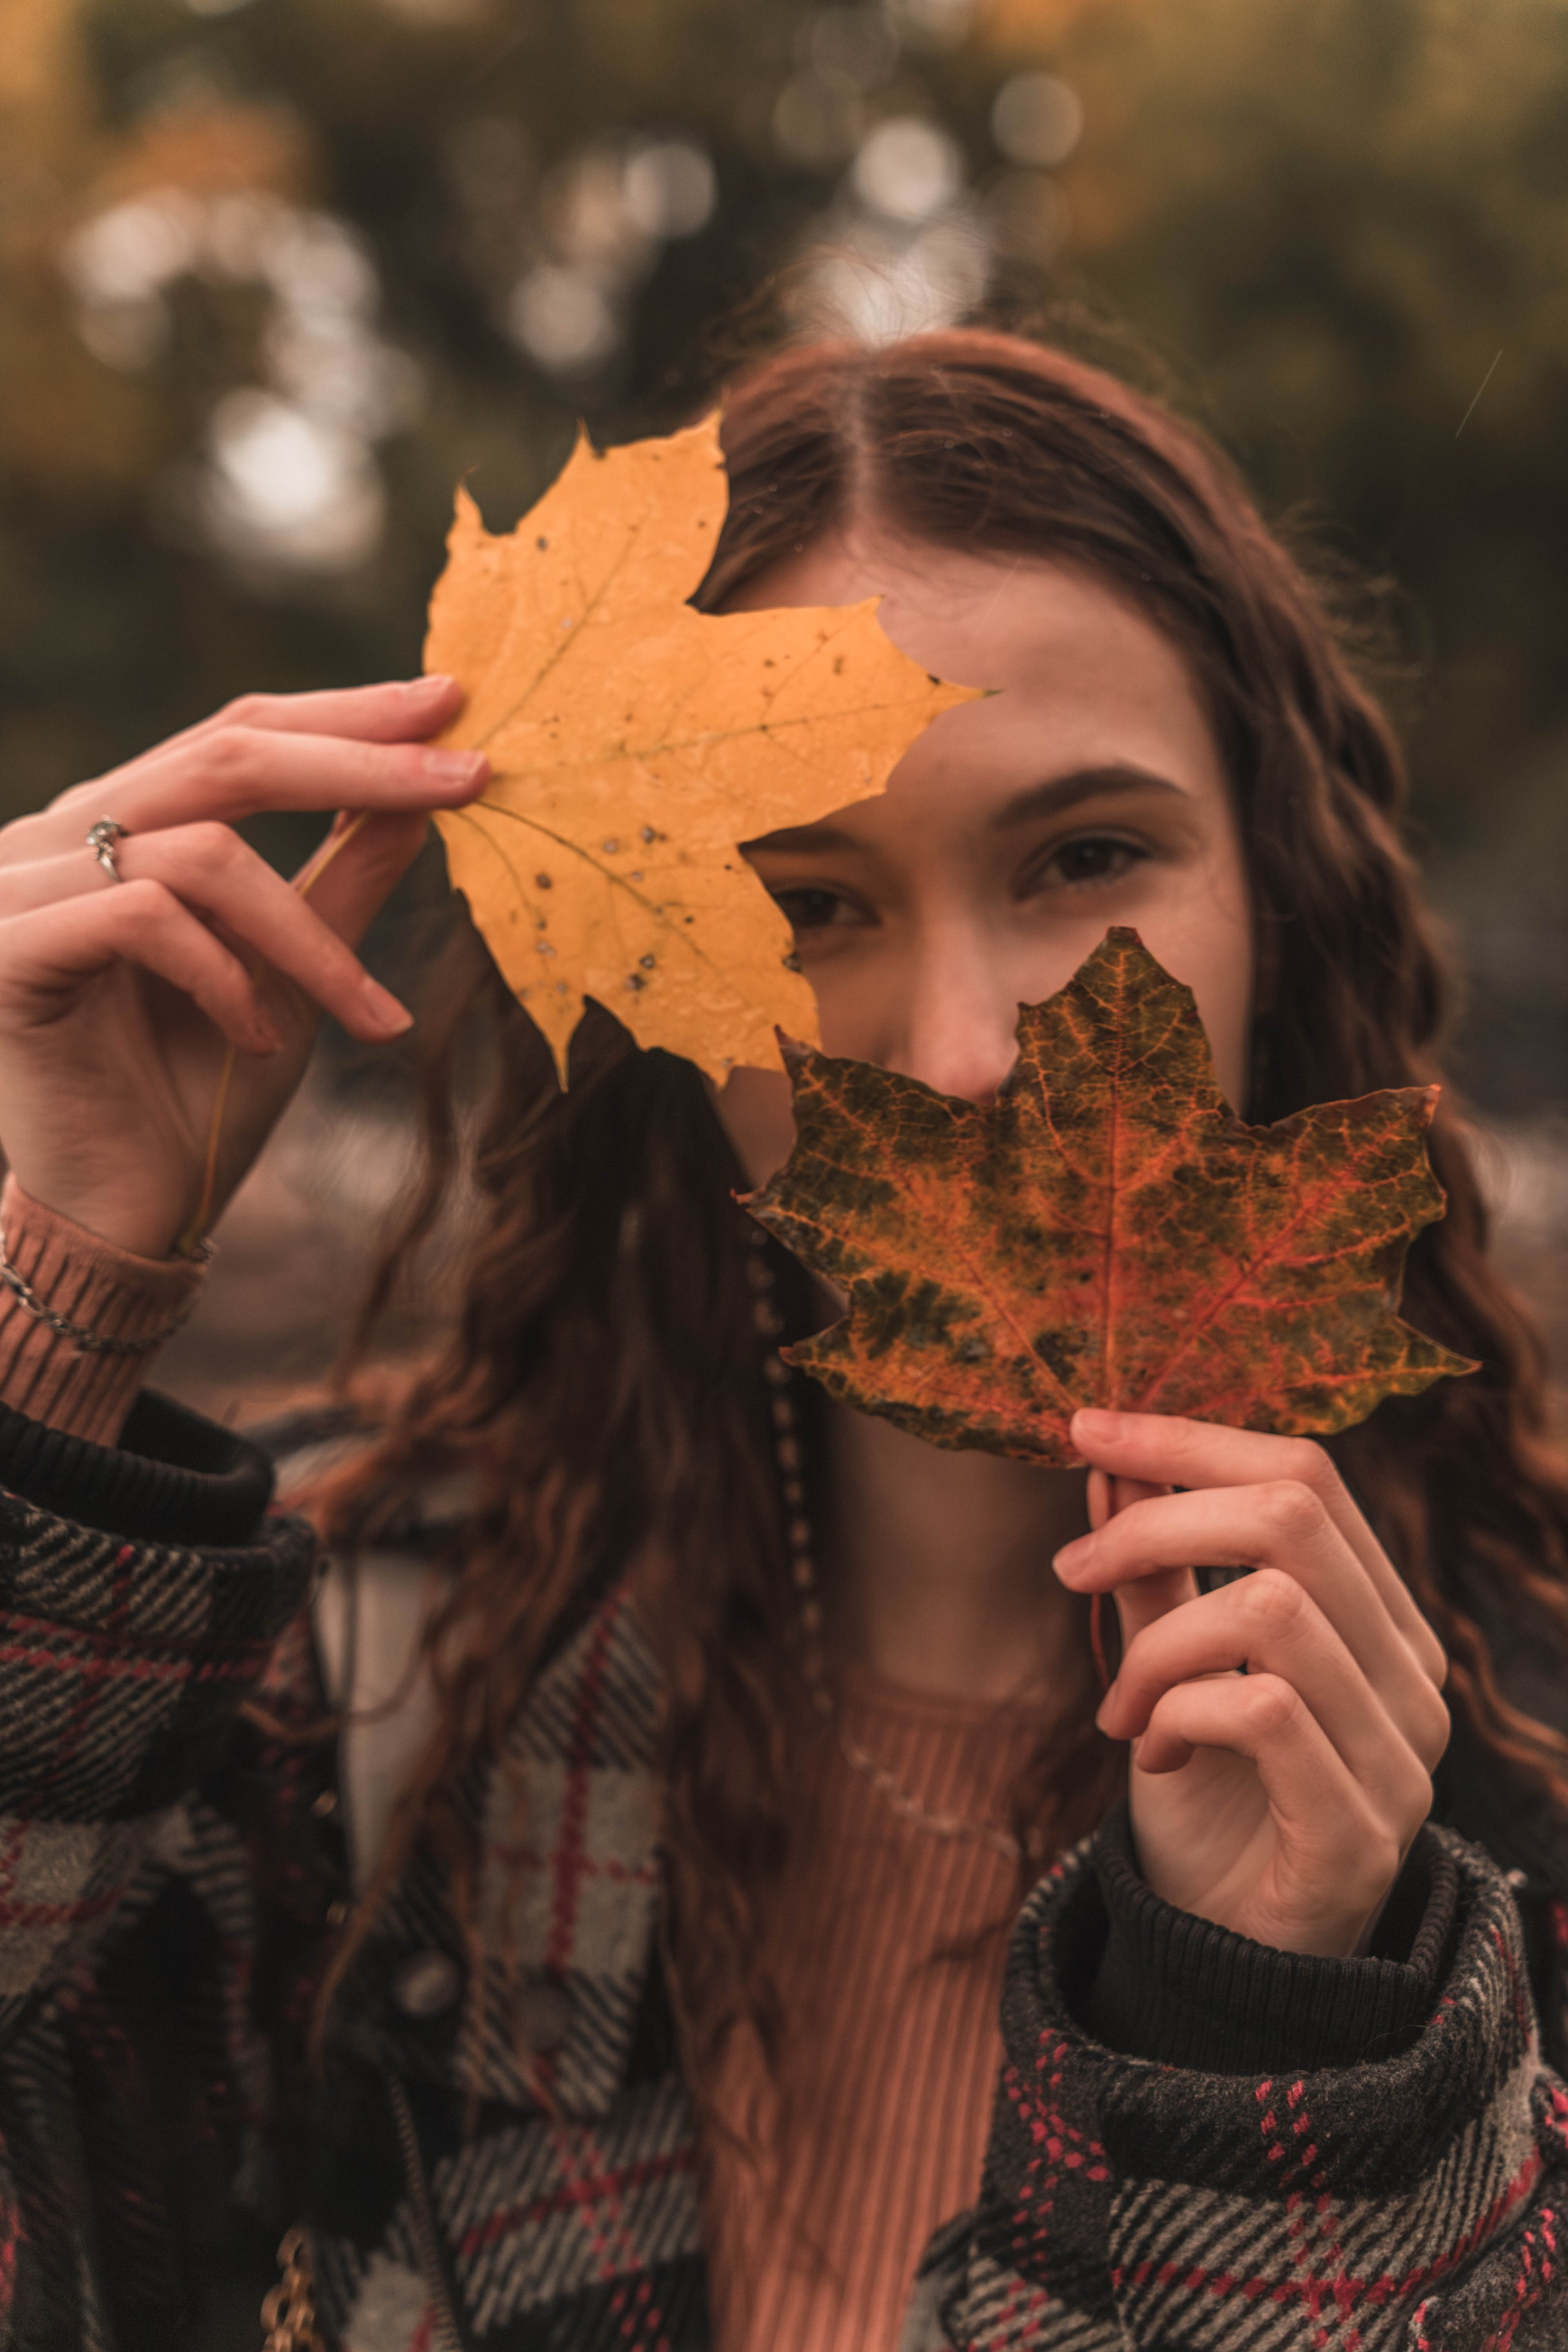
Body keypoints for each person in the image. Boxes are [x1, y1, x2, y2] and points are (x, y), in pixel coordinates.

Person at [0, 328, 1564, 2352]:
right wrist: (54, 1341)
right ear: (644, 988)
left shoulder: (1512, 1785)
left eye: (1089, 858)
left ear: (1285, 882)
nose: (969, 1054)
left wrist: (1272, 2045)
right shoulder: (336, 1704)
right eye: (808, 909)